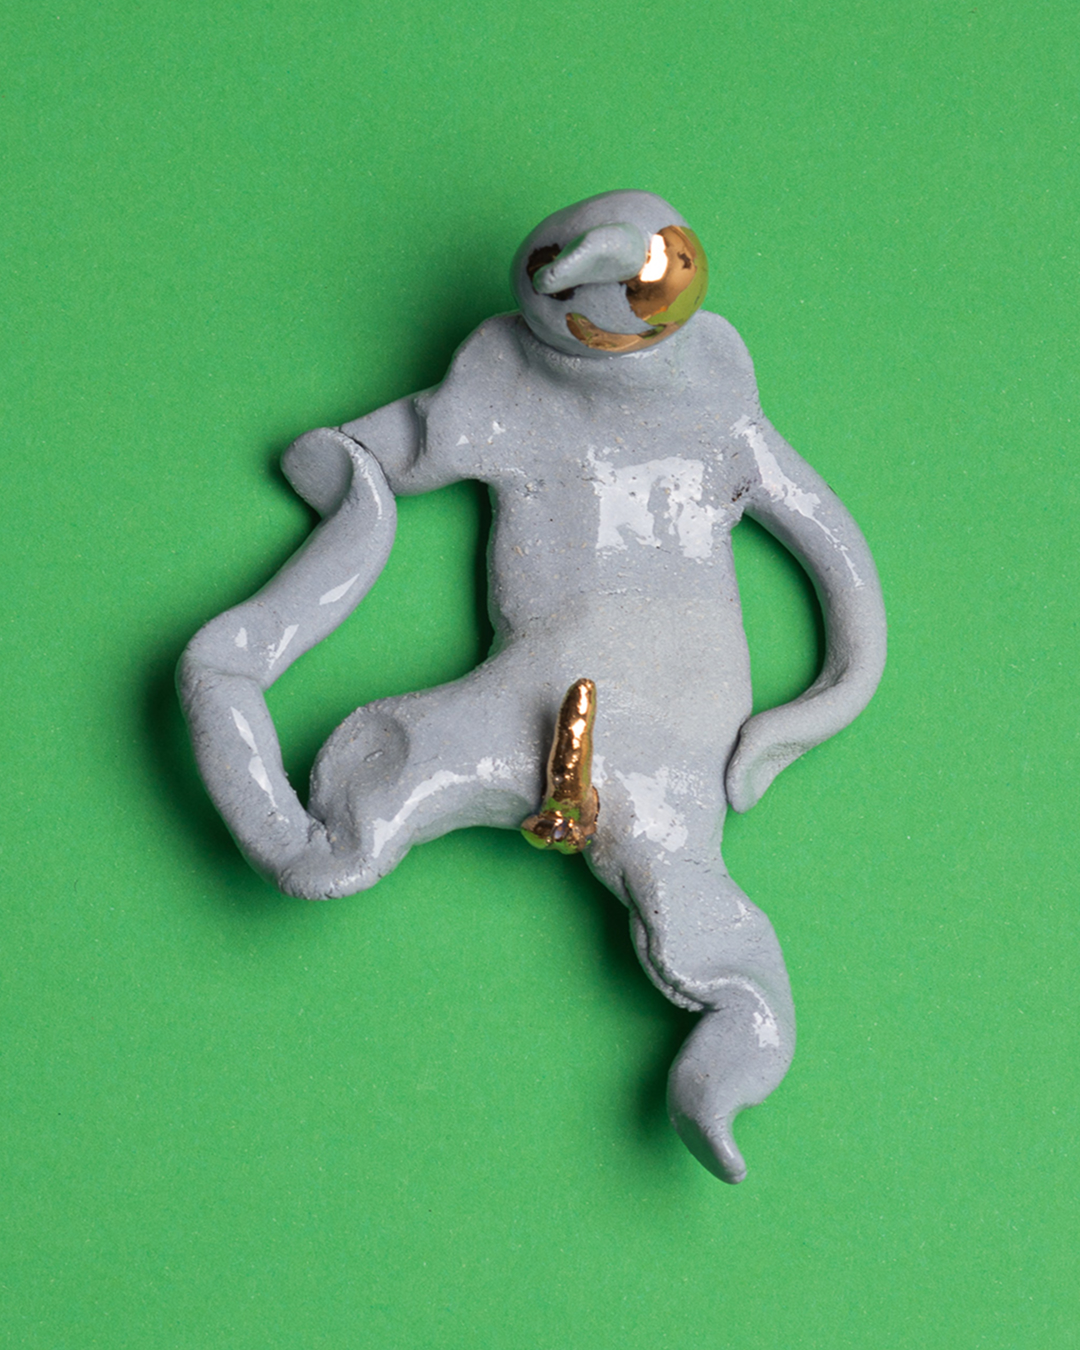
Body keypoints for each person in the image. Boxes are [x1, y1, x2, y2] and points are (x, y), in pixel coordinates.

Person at [179, 190, 886, 1181]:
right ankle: (731, 1037)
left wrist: (823, 704)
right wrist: (352, 496)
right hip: (536, 689)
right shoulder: (502, 390)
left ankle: (727, 1066)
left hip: (672, 712)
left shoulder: (718, 412)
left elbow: (837, 563)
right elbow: (350, 455)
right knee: (349, 835)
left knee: (688, 892)